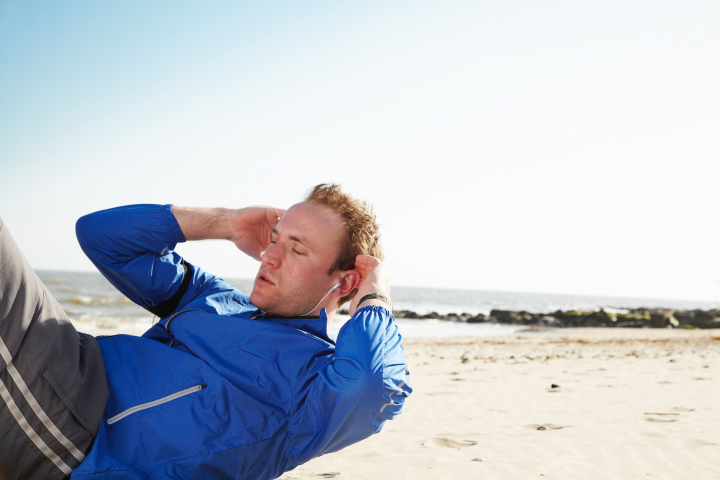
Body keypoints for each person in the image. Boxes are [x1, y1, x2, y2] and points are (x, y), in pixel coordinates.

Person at [0, 183, 411, 480]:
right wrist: (226, 223)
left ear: (344, 282)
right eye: (274, 240)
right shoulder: (214, 296)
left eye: (296, 249)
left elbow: (373, 383)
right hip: (68, 364)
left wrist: (374, 298)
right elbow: (102, 238)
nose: (269, 257)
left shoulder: (313, 383)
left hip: (81, 434)